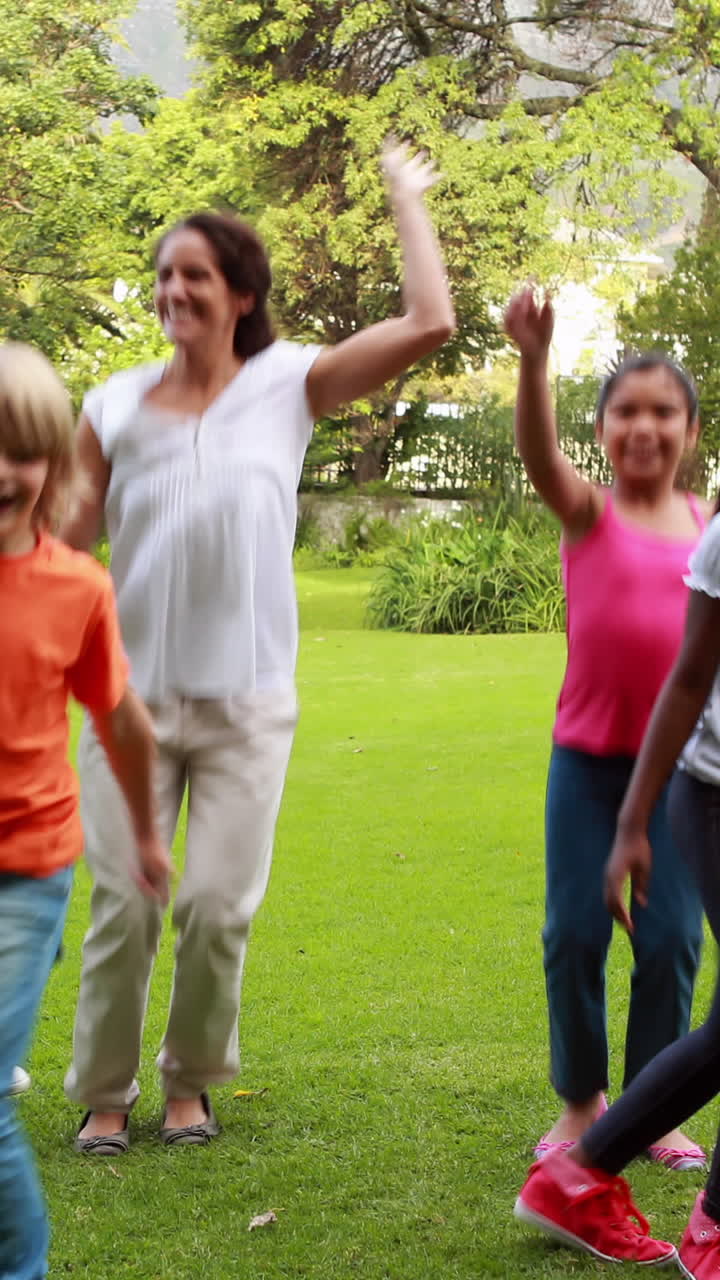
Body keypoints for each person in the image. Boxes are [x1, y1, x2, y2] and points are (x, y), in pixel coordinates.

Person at [61, 143, 456, 1152]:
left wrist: (405, 198)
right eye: (164, 274)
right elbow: (62, 546)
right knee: (123, 904)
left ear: (241, 293)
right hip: (127, 704)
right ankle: (104, 1092)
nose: (173, 290)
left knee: (214, 907)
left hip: (247, 704)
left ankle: (191, 1080)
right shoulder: (110, 404)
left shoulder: (290, 383)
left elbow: (429, 323)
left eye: (195, 274)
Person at [503, 287, 709, 1169]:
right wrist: (534, 359)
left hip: (684, 777)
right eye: (626, 410)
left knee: (672, 943)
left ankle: (654, 1109)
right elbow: (536, 453)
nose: (644, 426)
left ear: (690, 432)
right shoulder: (589, 512)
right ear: (601, 430)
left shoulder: (708, 526)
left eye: (664, 412)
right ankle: (582, 1101)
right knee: (574, 935)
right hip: (587, 767)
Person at [514, 497, 720, 1276]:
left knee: (697, 978)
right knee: (574, 936)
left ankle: (585, 1174)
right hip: (700, 789)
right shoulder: (711, 535)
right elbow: (690, 676)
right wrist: (634, 820)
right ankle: (597, 1156)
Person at [0, 343, 170, 1279]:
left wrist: (144, 831)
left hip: (27, 867)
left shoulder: (75, 585)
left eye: (21, 451)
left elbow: (122, 722)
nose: (1, 470)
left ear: (54, 469)